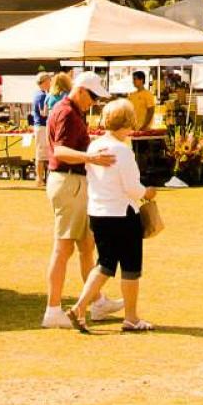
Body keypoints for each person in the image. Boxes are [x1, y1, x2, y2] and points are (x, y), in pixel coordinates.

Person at [63, 97, 157, 333]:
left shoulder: (94, 146)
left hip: (98, 212)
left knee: (104, 264)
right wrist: (148, 192)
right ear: (129, 122)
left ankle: (80, 306)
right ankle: (132, 317)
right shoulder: (122, 151)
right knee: (130, 266)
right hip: (122, 214)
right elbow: (132, 188)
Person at [40, 71, 122, 330]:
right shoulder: (66, 112)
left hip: (72, 182)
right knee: (63, 248)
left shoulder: (69, 110)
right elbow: (61, 151)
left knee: (86, 245)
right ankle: (53, 309)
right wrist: (91, 158)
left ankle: (96, 300)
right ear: (82, 91)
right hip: (68, 182)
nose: (94, 102)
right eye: (94, 96)